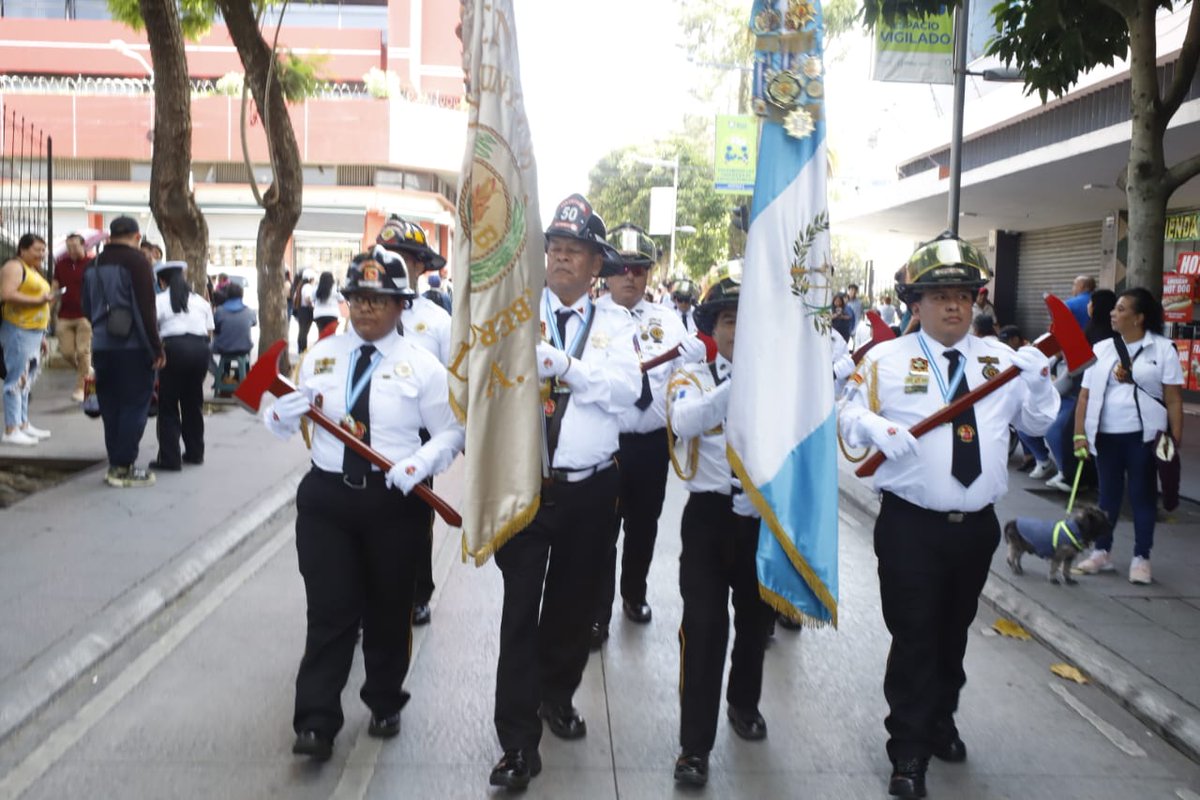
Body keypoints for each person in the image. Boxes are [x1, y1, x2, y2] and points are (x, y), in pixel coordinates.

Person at [838, 233, 1058, 799]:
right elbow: (845, 418)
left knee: (953, 631)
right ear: (916, 303)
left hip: (976, 526)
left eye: (964, 294)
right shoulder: (885, 361)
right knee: (914, 634)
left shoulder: (1000, 361)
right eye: (940, 296)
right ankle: (908, 750)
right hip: (911, 525)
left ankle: (940, 716)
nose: (955, 305)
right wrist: (873, 426)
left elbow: (1034, 427)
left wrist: (1038, 385)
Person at [260, 250, 464, 763]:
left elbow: (452, 432)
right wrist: (280, 417)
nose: (366, 309)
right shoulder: (321, 356)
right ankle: (315, 721)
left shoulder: (421, 365)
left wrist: (418, 464)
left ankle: (384, 699)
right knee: (329, 611)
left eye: (378, 300)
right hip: (328, 497)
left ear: (401, 306)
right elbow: (294, 422)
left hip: (393, 500)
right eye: (357, 298)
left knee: (388, 609)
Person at [488, 194, 639, 790]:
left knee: (573, 610)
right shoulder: (516, 315)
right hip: (528, 487)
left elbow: (629, 396)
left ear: (597, 265)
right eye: (554, 248)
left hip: (591, 490)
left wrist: (570, 369)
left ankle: (557, 694)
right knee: (519, 613)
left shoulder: (618, 325)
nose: (561, 259)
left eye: (574, 251)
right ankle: (517, 744)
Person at [667, 272, 775, 788]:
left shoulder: (779, 383)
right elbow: (685, 422)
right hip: (708, 519)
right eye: (730, 320)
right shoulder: (695, 375)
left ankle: (744, 703)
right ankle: (694, 746)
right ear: (713, 327)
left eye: (749, 319)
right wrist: (738, 385)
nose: (740, 329)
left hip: (760, 521)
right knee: (705, 628)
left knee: (756, 625)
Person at [591, 223, 706, 648]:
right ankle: (596, 613)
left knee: (644, 526)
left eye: (638, 269)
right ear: (606, 271)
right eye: (621, 268)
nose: (629, 277)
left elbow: (682, 382)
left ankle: (633, 594)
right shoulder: (592, 318)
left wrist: (696, 366)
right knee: (602, 529)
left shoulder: (669, 321)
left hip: (653, 445)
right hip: (607, 442)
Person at [1073, 287, 1184, 584]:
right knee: (1107, 496)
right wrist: (1079, 435)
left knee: (1142, 496)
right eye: (1115, 309)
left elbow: (1173, 398)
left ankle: (1141, 557)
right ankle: (1101, 552)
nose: (1113, 313)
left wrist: (1175, 438)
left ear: (1139, 317)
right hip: (1105, 435)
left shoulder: (1163, 349)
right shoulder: (1101, 349)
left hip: (1144, 436)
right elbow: (1084, 396)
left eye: (1121, 309)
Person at [374, 214, 452, 626]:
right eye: (387, 254)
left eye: (405, 256)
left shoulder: (437, 321)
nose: (396, 261)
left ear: (422, 266)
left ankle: (417, 590)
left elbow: (451, 379)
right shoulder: (363, 306)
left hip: (420, 433)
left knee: (415, 516)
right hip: (370, 426)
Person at [82, 216, 165, 487]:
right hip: (132, 347)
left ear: (110, 236)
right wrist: (156, 347)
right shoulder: (137, 262)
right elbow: (146, 309)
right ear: (137, 236)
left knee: (111, 405)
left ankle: (116, 461)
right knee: (134, 404)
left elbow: (86, 305)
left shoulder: (93, 263)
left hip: (102, 346)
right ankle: (122, 466)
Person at [1044, 289, 1116, 492]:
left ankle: (1077, 476)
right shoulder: (1094, 330)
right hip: (1080, 391)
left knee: (1067, 432)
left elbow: (1080, 368)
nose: (1088, 306)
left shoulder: (1100, 337)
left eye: (1091, 303)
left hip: (1083, 393)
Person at [152, 261, 213, 471]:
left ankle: (170, 459)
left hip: (174, 350)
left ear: (162, 281)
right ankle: (195, 453)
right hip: (200, 350)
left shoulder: (159, 299)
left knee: (168, 405)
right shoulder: (200, 301)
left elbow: (153, 330)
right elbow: (209, 331)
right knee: (193, 403)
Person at [1, 233, 54, 446]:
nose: (42, 254)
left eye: (43, 250)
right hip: (18, 329)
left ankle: (22, 423)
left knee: (27, 379)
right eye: (37, 249)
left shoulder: (33, 270)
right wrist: (38, 299)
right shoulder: (14, 267)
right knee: (16, 379)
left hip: (34, 331)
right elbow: (6, 293)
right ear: (23, 249)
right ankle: (11, 428)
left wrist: (42, 335)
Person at [54, 232, 93, 402]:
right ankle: (86, 371)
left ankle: (80, 388)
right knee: (67, 352)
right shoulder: (61, 264)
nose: (70, 249)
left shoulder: (92, 263)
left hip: (85, 314)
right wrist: (49, 308)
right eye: (68, 246)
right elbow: (55, 286)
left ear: (83, 245)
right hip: (65, 314)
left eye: (74, 246)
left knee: (83, 351)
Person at [211, 282, 257, 360]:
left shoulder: (220, 311)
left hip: (223, 348)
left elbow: (215, 330)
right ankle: (244, 371)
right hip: (244, 348)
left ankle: (222, 370)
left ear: (227, 295)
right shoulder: (250, 312)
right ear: (242, 295)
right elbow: (254, 323)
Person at [293, 269, 316, 351]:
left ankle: (300, 349)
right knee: (304, 332)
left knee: (302, 331)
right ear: (310, 278)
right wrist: (313, 306)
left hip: (300, 310)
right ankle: (303, 349)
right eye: (313, 278)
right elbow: (307, 298)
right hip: (306, 311)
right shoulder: (308, 287)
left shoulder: (300, 286)